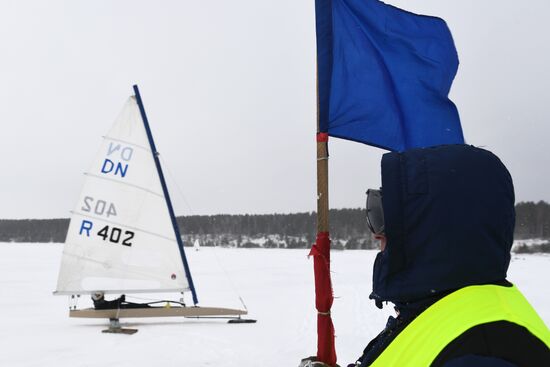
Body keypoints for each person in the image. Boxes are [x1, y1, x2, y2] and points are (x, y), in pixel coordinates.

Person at [351, 144, 550, 367]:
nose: (376, 234)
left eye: (384, 217)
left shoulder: (482, 353)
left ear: (434, 227)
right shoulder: (441, 309)